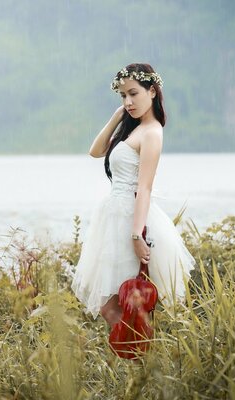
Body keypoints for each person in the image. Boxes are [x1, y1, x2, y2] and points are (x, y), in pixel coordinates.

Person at [70, 63, 197, 326]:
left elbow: (145, 188)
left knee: (127, 304)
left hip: (132, 218)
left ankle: (140, 357)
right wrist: (118, 114)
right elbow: (95, 151)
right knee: (116, 306)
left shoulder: (151, 132)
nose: (128, 101)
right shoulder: (134, 127)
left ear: (152, 91)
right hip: (115, 216)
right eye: (123, 95)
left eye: (133, 93)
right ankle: (137, 358)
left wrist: (136, 235)